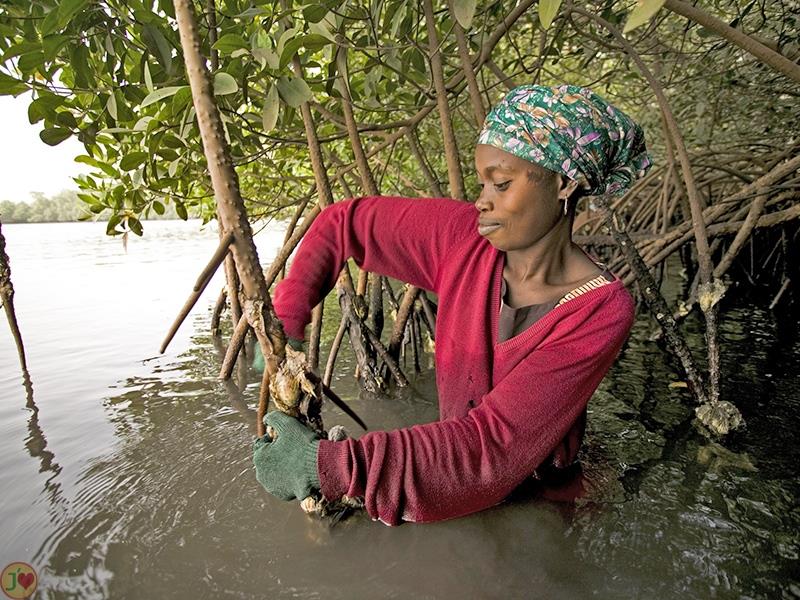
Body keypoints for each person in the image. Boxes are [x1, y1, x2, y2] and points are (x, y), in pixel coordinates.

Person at [253, 84, 652, 526]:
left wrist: (327, 466)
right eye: (483, 182)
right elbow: (342, 223)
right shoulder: (465, 238)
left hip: (536, 503)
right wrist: (288, 316)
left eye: (501, 184)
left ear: (564, 183)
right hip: (446, 476)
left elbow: (493, 449)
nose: (483, 200)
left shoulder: (600, 311)